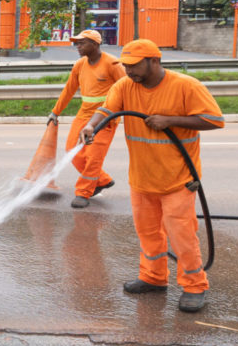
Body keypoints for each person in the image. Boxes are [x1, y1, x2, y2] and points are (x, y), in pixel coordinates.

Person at [82, 39, 224, 313]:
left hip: (178, 180)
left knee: (182, 237)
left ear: (154, 61)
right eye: (126, 66)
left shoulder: (185, 86)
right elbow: (107, 109)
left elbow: (215, 120)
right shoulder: (125, 85)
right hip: (142, 179)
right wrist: (91, 125)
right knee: (148, 234)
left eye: (134, 66)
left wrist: (170, 120)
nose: (129, 71)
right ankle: (154, 277)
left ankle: (194, 286)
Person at [46, 29, 126, 209]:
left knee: (93, 157)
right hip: (84, 115)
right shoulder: (80, 65)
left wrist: (128, 114)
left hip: (105, 118)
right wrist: (55, 112)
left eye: (82, 43)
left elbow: (128, 88)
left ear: (95, 44)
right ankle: (102, 180)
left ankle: (83, 192)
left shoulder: (112, 64)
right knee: (72, 151)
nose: (77, 46)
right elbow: (69, 89)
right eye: (77, 43)